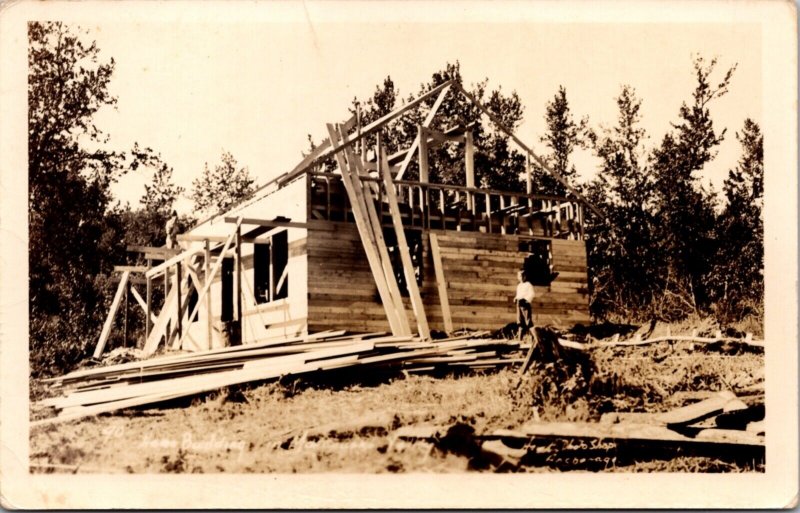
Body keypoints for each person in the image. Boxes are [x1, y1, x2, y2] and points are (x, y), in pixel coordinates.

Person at [514, 270, 535, 340]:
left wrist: (526, 300)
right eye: (520, 276)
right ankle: (519, 340)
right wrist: (515, 298)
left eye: (523, 276)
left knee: (528, 321)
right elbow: (518, 295)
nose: (522, 277)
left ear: (525, 276)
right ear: (518, 277)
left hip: (525, 305)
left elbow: (532, 294)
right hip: (519, 304)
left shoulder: (528, 284)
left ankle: (535, 338)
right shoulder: (519, 286)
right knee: (520, 322)